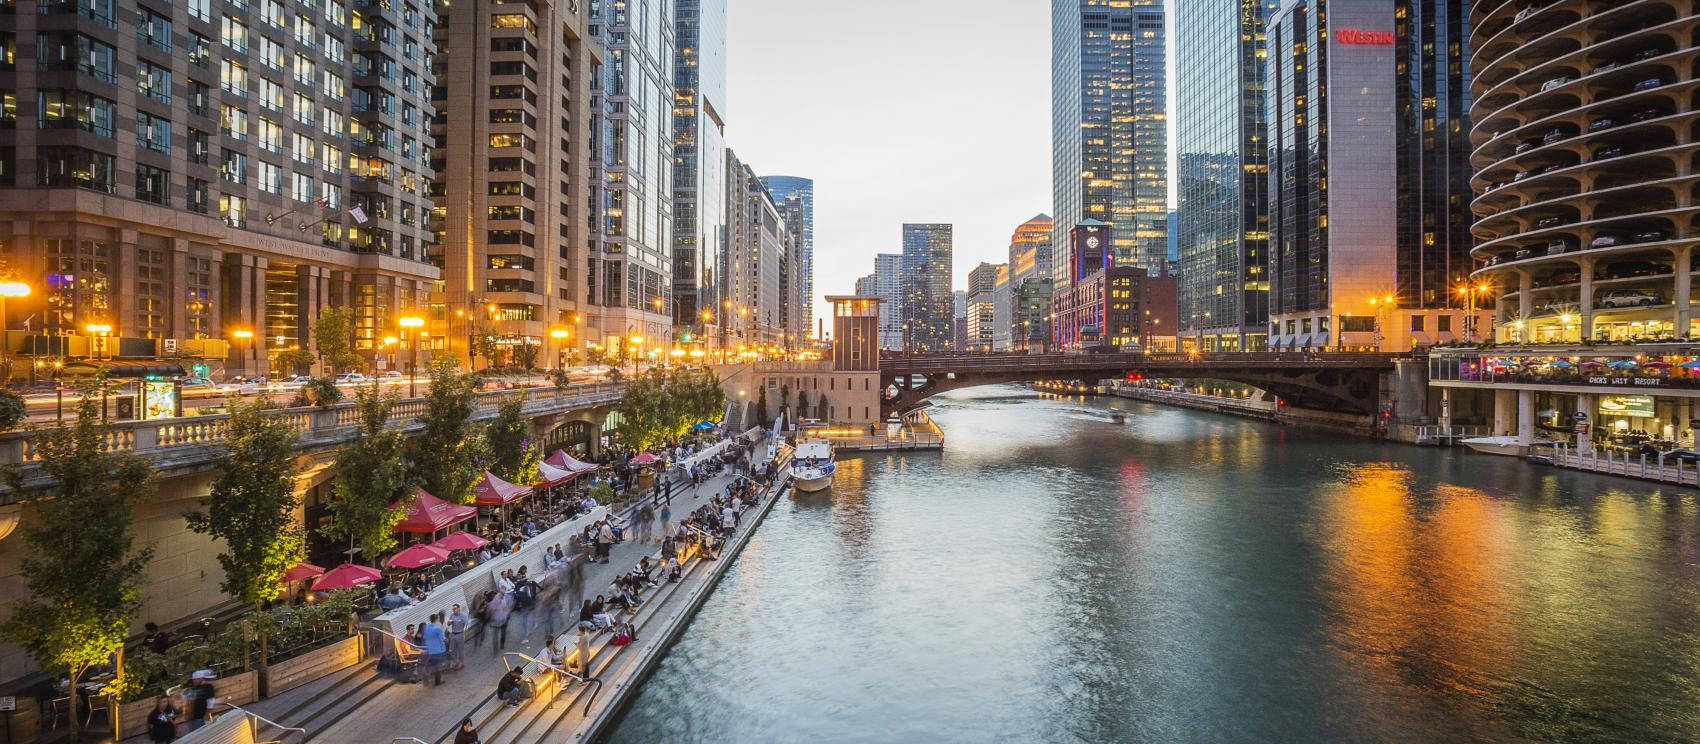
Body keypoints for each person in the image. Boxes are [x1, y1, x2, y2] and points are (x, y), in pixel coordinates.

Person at [423, 614, 448, 686]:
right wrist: (447, 640)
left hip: (429, 650)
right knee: (438, 667)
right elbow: (443, 639)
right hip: (438, 650)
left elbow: (424, 637)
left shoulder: (426, 628)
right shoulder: (438, 629)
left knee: (433, 665)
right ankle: (438, 681)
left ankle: (430, 680)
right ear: (436, 619)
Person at [447, 603, 469, 670]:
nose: (454, 610)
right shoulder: (452, 615)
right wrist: (449, 623)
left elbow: (466, 624)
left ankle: (461, 663)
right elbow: (448, 623)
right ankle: (455, 662)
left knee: (460, 650)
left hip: (460, 634)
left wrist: (464, 632)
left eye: (455, 609)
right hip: (453, 634)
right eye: (453, 609)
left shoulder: (463, 616)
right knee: (452, 649)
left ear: (459, 608)